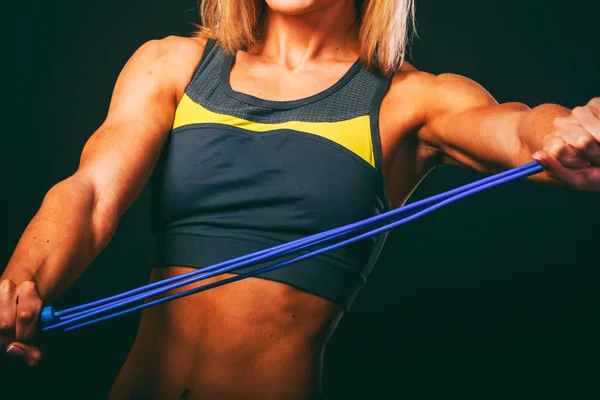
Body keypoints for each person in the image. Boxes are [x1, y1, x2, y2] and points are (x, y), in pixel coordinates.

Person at [2, 0, 599, 398]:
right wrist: (19, 287)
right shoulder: (172, 65)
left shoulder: (411, 100)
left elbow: (516, 129)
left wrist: (562, 130)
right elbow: (90, 194)